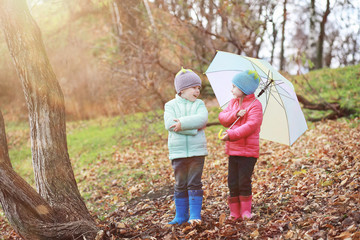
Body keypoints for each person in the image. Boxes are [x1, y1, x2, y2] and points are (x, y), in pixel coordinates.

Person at [164, 67, 208, 225]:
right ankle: (181, 215)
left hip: (197, 152)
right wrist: (193, 129)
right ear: (182, 89)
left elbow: (202, 120)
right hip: (178, 152)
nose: (197, 91)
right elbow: (170, 124)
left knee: (195, 182)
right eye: (194, 87)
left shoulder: (199, 104)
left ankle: (195, 215)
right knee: (180, 183)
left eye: (198, 88)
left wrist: (182, 124)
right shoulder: (170, 106)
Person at [218, 70, 263, 220]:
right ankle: (234, 212)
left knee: (244, 181)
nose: (231, 90)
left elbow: (251, 126)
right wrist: (236, 113)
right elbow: (223, 118)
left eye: (234, 87)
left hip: (248, 152)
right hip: (233, 151)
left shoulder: (255, 106)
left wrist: (232, 135)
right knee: (232, 181)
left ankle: (245, 211)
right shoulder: (233, 103)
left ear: (243, 88)